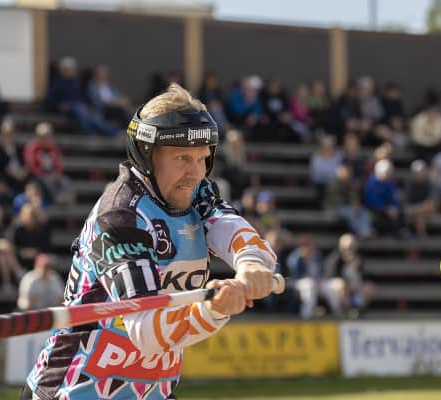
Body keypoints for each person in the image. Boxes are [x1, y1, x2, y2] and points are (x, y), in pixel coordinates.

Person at [22, 84, 276, 400]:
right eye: (182, 158)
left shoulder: (195, 191)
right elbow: (146, 331)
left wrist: (250, 261)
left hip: (152, 392)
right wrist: (211, 310)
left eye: (202, 158)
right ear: (147, 155)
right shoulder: (120, 217)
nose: (195, 173)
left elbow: (227, 224)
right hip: (76, 391)